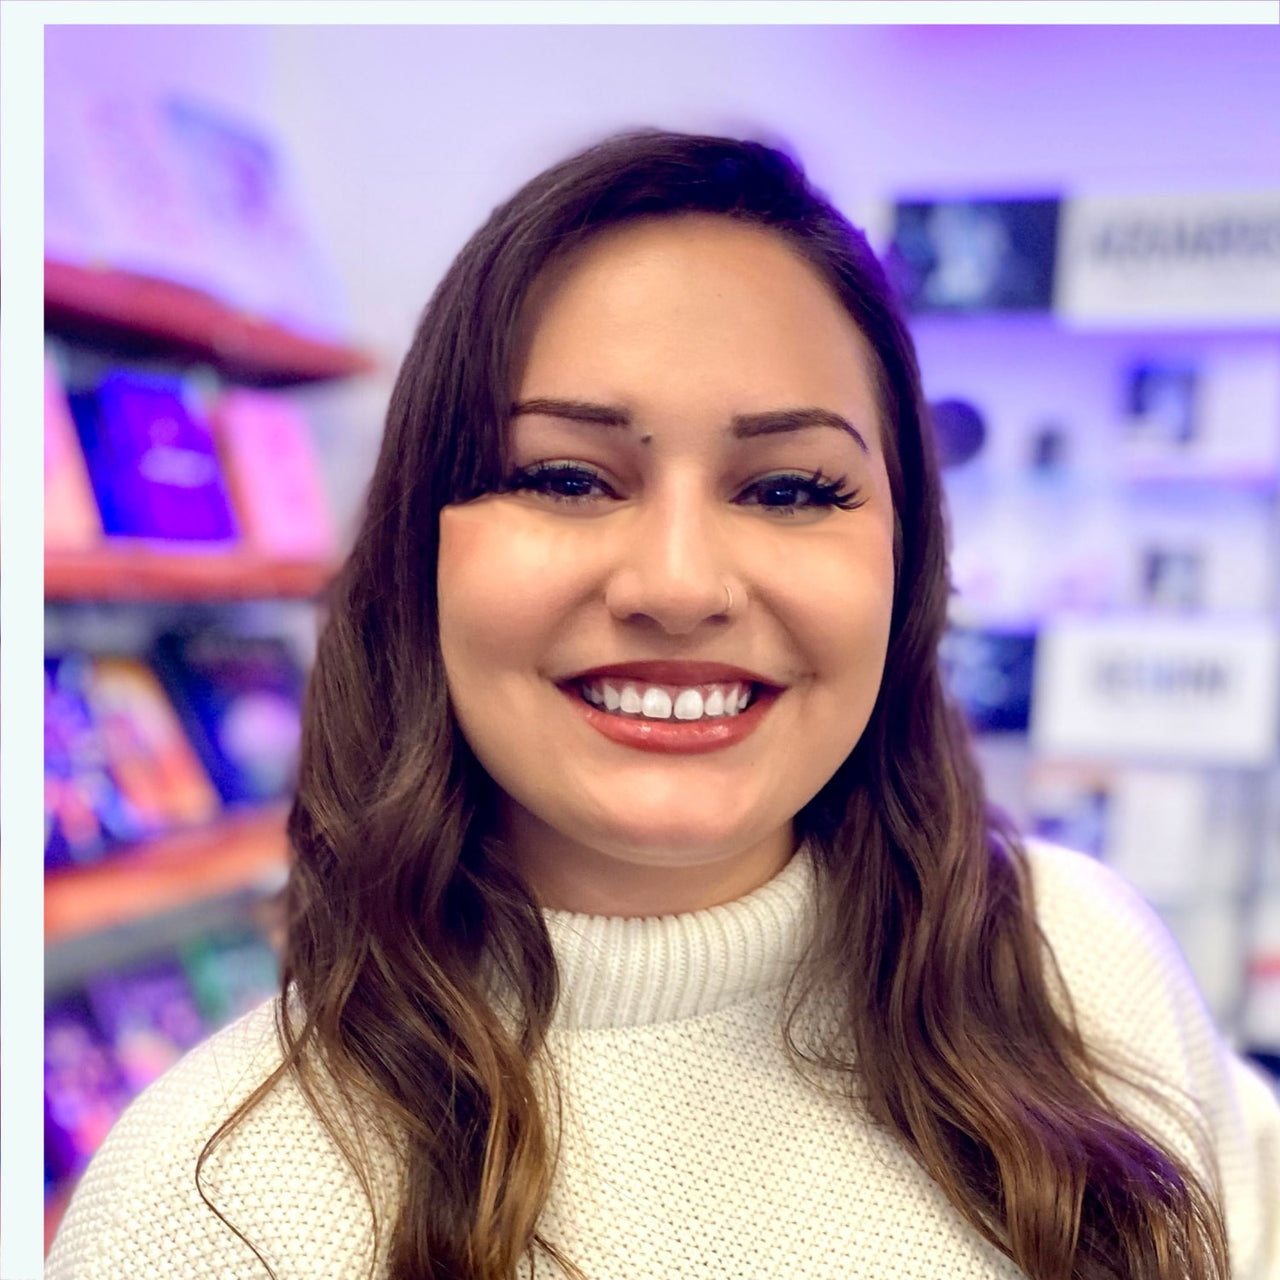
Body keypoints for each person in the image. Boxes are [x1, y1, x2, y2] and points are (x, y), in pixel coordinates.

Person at [47, 131, 1278, 1280]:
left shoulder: (1081, 961)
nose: (679, 584)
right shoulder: (198, 1206)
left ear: (905, 563)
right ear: (422, 551)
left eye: (792, 487)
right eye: (566, 476)